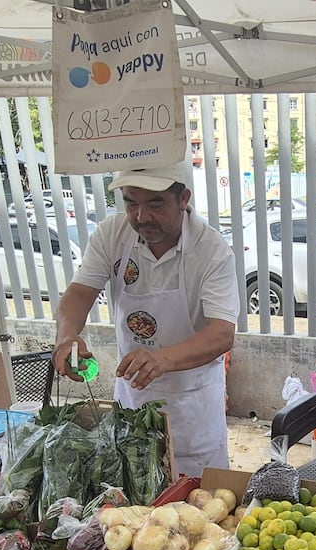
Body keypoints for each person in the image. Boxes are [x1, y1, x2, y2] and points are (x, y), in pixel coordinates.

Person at [53, 164, 239, 478]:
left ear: (183, 199)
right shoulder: (113, 235)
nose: (141, 217)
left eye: (154, 204)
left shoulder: (211, 251)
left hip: (192, 410)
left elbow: (222, 334)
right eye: (131, 203)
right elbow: (78, 295)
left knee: (197, 505)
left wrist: (160, 359)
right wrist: (66, 334)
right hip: (132, 400)